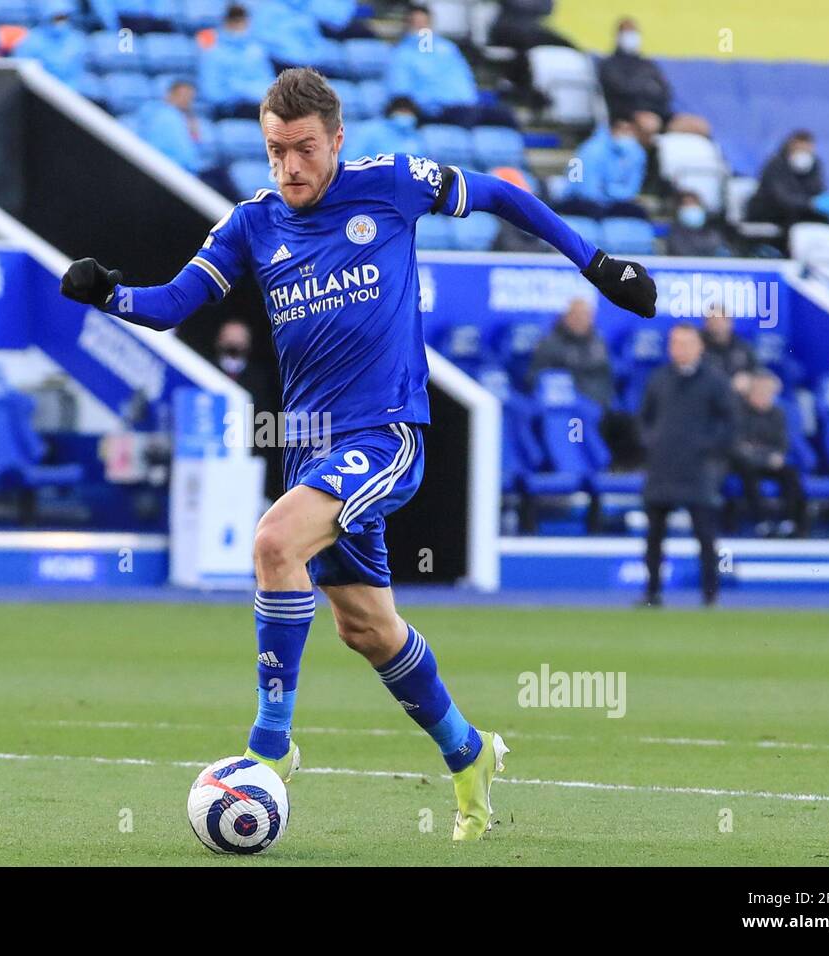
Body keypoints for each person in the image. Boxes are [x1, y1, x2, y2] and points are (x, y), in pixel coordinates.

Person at [61, 68, 656, 839]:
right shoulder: (252, 223)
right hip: (307, 449)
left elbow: (504, 193)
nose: (290, 168)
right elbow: (175, 302)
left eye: (304, 149)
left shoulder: (393, 184)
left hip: (384, 434)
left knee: (276, 543)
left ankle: (269, 751)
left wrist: (597, 263)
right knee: (367, 629)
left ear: (336, 141)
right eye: (276, 151)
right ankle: (469, 753)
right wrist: (109, 293)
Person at [637, 323, 735, 607]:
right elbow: (644, 417)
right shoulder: (659, 379)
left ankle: (710, 595)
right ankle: (652, 592)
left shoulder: (715, 381)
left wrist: (707, 448)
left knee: (705, 534)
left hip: (698, 469)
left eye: (686, 343)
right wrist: (652, 442)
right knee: (654, 534)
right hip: (662, 467)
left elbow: (729, 423)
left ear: (699, 347)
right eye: (676, 343)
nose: (680, 348)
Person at [530, 296, 642, 468]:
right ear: (567, 317)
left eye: (587, 316)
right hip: (575, 409)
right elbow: (535, 377)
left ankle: (626, 474)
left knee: (633, 423)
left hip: (605, 405)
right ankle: (590, 470)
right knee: (581, 421)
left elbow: (610, 373)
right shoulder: (550, 344)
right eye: (578, 316)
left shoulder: (598, 342)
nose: (583, 320)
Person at [387, 4, 516, 128]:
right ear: (408, 24)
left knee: (506, 117)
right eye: (417, 22)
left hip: (464, 107)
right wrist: (429, 106)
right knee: (466, 117)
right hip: (434, 110)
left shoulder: (448, 49)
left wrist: (469, 101)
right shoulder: (401, 54)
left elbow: (464, 79)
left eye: (424, 22)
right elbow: (401, 92)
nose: (421, 27)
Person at [597, 17, 711, 146]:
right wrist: (646, 90)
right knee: (649, 124)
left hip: (662, 115)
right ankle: (651, 163)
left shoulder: (647, 64)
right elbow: (621, 91)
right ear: (618, 36)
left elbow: (665, 90)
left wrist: (646, 91)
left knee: (699, 126)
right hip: (631, 117)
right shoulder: (610, 64)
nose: (631, 38)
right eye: (627, 33)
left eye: (634, 33)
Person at [214, 319, 283, 503]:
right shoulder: (206, 373)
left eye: (239, 339)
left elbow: (267, 427)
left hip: (251, 459)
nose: (234, 344)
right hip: (214, 459)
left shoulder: (262, 380)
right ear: (220, 341)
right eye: (230, 338)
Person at [732, 370, 806, 538]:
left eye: (768, 392)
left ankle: (790, 522)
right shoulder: (739, 412)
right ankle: (761, 522)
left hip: (771, 461)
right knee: (748, 472)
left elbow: (782, 443)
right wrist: (765, 457)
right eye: (760, 391)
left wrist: (776, 456)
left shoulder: (778, 414)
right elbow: (739, 446)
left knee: (790, 473)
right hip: (746, 463)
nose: (765, 396)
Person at [745, 130, 829, 240]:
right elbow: (782, 198)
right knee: (794, 217)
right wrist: (810, 204)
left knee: (823, 220)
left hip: (800, 211)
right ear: (791, 147)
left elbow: (817, 189)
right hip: (771, 211)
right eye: (800, 149)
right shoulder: (776, 165)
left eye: (807, 149)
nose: (803, 153)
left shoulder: (815, 165)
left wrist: (821, 201)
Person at [557, 115, 647, 220]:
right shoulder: (590, 150)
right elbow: (587, 190)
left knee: (637, 213)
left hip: (613, 202)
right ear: (612, 129)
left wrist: (608, 190)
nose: (627, 135)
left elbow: (632, 189)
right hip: (581, 201)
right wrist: (611, 193)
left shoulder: (636, 152)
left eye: (630, 130)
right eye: (622, 129)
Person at [197, 5, 276, 120]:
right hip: (230, 108)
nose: (239, 27)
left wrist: (248, 90)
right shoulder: (213, 52)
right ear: (225, 23)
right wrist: (240, 92)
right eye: (234, 22)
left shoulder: (257, 50)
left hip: (257, 103)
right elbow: (211, 93)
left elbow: (269, 83)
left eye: (242, 22)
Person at [13, 0, 87, 86]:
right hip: (42, 91)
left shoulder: (77, 38)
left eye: (64, 18)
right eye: (57, 18)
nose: (61, 23)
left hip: (75, 92)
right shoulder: (31, 42)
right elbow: (22, 73)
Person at [349, 96, 425, 161]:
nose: (404, 116)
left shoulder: (415, 136)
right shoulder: (370, 130)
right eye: (401, 111)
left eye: (408, 112)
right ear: (391, 112)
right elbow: (349, 159)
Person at [700, 304, 757, 379]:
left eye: (722, 320)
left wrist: (748, 378)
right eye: (714, 320)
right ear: (706, 323)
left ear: (730, 322)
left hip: (736, 389)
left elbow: (757, 370)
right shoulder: (697, 346)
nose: (718, 324)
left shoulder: (742, 347)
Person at [666, 191, 731, 257]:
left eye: (694, 204)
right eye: (687, 205)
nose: (692, 208)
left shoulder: (712, 232)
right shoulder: (675, 234)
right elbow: (682, 253)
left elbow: (722, 251)